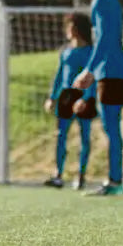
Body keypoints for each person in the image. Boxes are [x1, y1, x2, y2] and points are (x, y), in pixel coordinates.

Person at [72, 0, 123, 196]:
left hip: (113, 70)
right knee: (110, 125)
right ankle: (114, 180)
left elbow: (106, 39)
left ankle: (115, 182)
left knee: (111, 126)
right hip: (112, 70)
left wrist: (89, 70)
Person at [43, 12, 95, 190]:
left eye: (70, 26)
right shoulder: (66, 52)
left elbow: (93, 77)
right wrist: (52, 97)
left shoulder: (91, 53)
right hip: (66, 98)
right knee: (60, 136)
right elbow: (59, 77)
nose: (67, 30)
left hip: (84, 99)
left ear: (78, 29)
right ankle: (58, 175)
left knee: (84, 138)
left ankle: (81, 175)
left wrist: (86, 98)